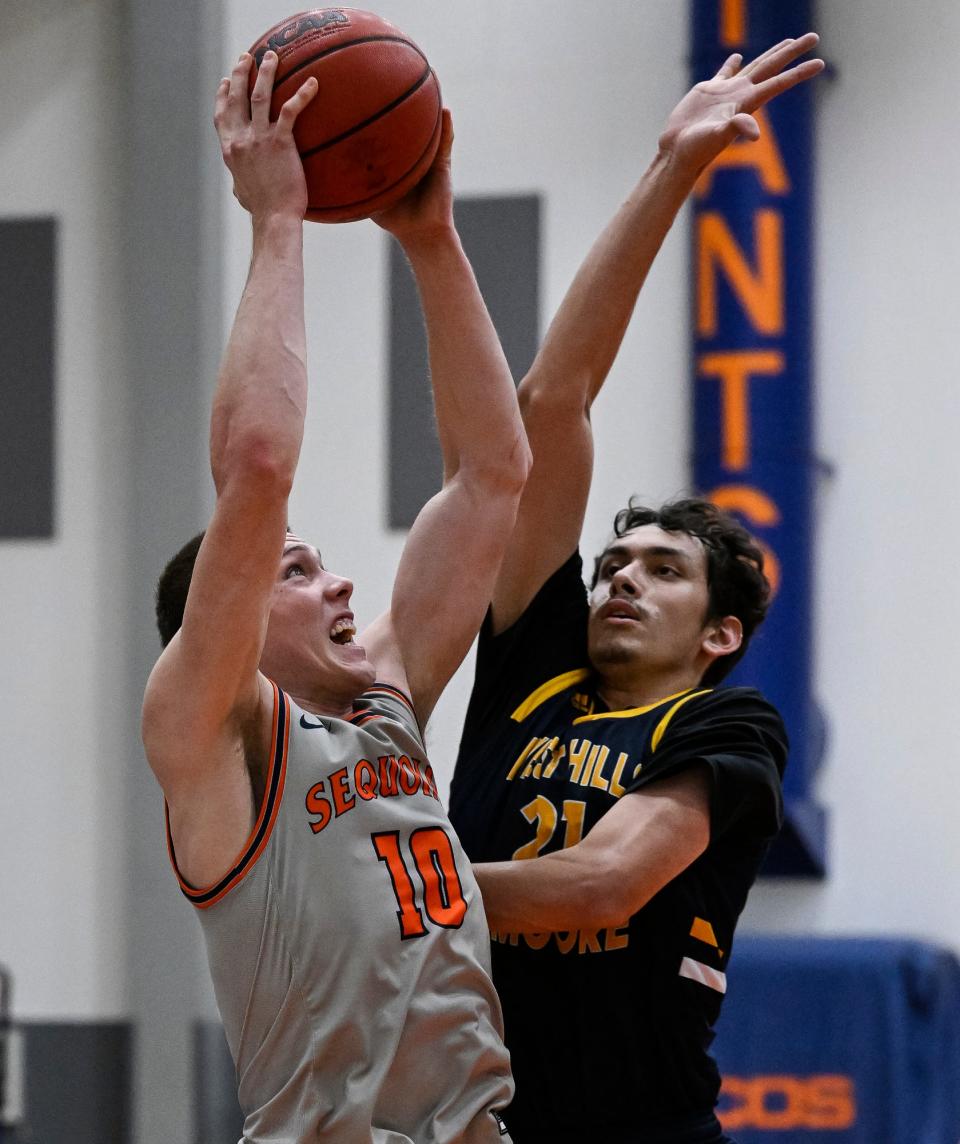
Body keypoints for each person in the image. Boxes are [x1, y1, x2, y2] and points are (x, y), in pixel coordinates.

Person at [142, 50, 532, 1144]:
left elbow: (493, 476)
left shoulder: (386, 704)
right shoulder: (213, 736)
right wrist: (278, 223)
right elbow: (259, 465)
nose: (341, 577)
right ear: (220, 628)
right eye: (298, 570)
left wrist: (430, 237)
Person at [448, 35, 825, 1144]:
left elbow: (602, 885)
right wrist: (670, 171)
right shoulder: (535, 662)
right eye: (615, 563)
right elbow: (552, 401)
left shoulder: (728, 724)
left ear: (719, 631)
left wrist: (386, 885)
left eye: (663, 571)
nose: (619, 580)